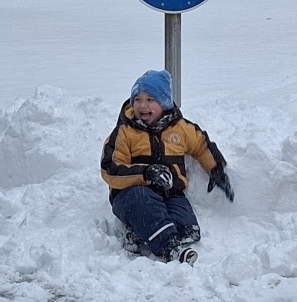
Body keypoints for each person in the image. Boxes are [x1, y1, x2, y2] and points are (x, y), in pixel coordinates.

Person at [100, 70, 234, 265]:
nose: (142, 105)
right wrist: (145, 173)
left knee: (187, 229)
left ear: (164, 102)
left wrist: (216, 169)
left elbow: (202, 144)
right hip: (132, 194)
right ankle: (170, 249)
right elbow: (110, 168)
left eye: (150, 99)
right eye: (137, 99)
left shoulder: (180, 128)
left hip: (170, 193)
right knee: (145, 207)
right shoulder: (124, 132)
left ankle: (138, 233)